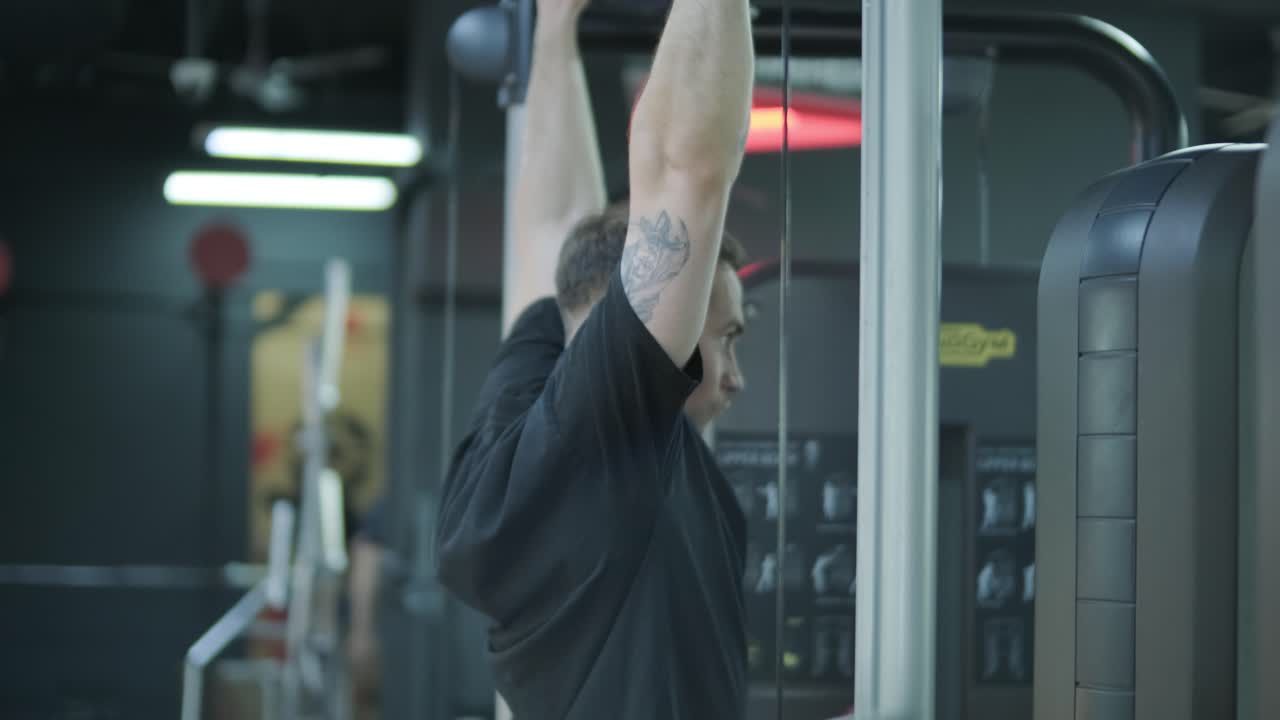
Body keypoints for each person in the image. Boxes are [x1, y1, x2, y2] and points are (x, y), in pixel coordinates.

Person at [434, 0, 755, 713]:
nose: (737, 374)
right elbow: (686, 168)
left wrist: (553, 29)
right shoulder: (600, 440)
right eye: (725, 335)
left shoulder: (527, 432)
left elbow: (555, 229)